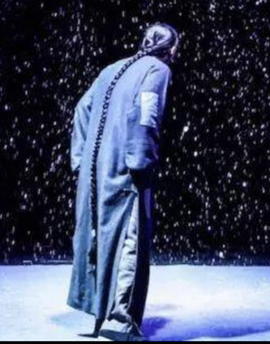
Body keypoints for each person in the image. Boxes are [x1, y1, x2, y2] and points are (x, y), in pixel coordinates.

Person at [67, 23, 178, 342]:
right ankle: (119, 321)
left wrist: (82, 157)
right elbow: (147, 114)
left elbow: (81, 109)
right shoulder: (157, 70)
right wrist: (141, 162)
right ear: (169, 48)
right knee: (128, 238)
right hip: (124, 167)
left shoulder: (112, 68)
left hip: (95, 168)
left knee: (100, 236)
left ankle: (99, 311)